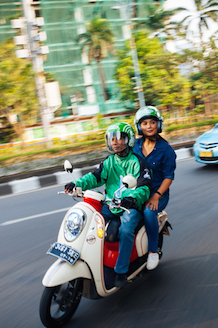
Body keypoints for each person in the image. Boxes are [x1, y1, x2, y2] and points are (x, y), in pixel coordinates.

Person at [64, 122, 152, 287]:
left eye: (119, 138)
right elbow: (95, 177)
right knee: (89, 223)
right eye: (112, 139)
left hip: (129, 207)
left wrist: (132, 198)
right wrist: (78, 185)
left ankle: (121, 271)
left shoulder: (138, 162)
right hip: (111, 205)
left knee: (125, 231)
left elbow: (144, 187)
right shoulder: (109, 161)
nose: (115, 142)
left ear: (129, 140)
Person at [132, 106, 176, 271]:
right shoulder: (134, 146)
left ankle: (152, 252)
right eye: (145, 123)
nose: (149, 126)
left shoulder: (166, 150)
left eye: (153, 122)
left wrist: (157, 196)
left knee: (149, 212)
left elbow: (168, 177)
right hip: (137, 191)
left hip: (158, 193)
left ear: (159, 125)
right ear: (139, 127)